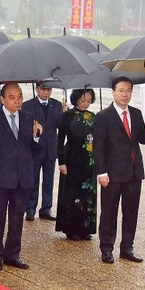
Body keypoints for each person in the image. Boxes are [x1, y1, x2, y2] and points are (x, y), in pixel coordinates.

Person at [93, 76, 145, 264]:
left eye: (128, 91)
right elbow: (98, 147)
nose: (125, 94)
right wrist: (101, 172)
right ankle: (106, 249)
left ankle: (127, 248)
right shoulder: (103, 116)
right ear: (113, 92)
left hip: (134, 172)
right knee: (109, 212)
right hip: (112, 173)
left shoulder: (136, 113)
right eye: (121, 90)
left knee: (131, 211)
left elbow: (141, 138)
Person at [0, 82, 43, 272]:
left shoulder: (28, 117)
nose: (17, 101)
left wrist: (37, 136)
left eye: (20, 96)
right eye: (12, 97)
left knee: (17, 218)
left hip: (22, 177)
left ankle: (12, 254)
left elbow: (35, 150)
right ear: (2, 99)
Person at [55, 88, 98, 240]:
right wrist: (61, 162)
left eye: (88, 100)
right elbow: (60, 141)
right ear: (76, 99)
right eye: (83, 100)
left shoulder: (93, 116)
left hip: (89, 160)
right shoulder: (67, 116)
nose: (86, 103)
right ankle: (71, 229)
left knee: (88, 194)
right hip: (72, 158)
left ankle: (86, 228)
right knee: (72, 194)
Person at [22, 82, 64, 221]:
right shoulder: (28, 105)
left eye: (49, 89)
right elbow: (23, 127)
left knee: (49, 181)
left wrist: (65, 114)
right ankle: (30, 208)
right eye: (43, 89)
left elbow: (59, 126)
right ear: (37, 89)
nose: (46, 92)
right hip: (35, 148)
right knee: (33, 179)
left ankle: (46, 208)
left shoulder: (57, 105)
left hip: (51, 148)